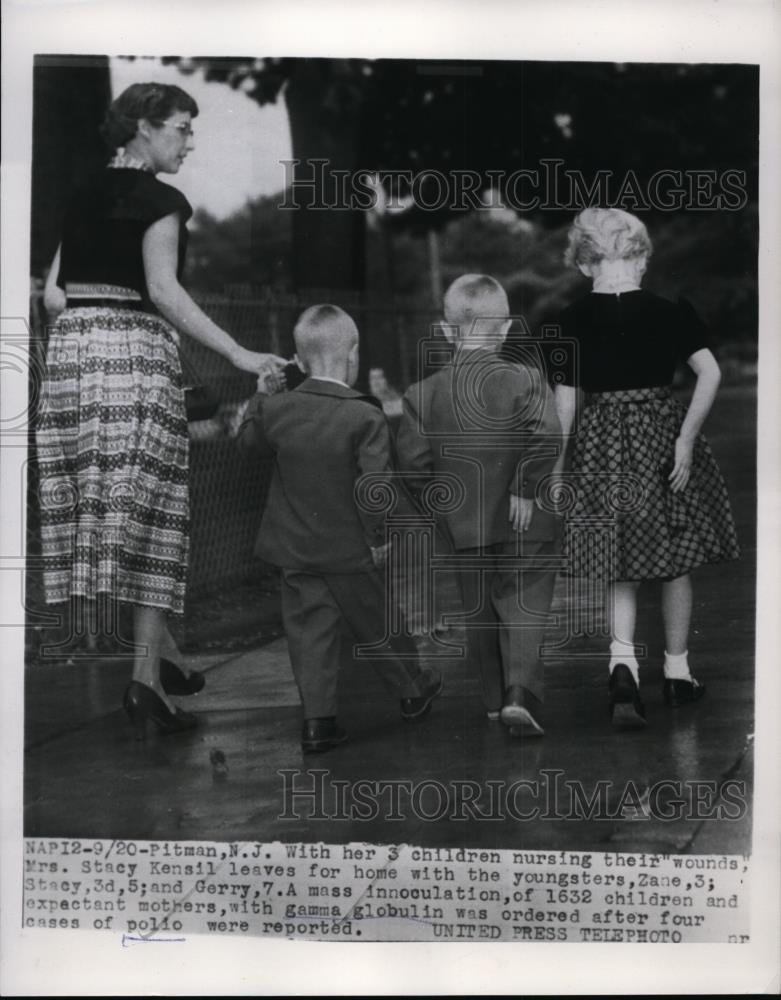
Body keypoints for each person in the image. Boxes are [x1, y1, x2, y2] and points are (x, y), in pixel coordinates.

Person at [37, 82, 285, 739]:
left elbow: (56, 297)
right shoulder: (163, 200)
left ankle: (166, 659)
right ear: (142, 129)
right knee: (155, 515)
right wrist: (238, 352)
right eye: (179, 127)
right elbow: (163, 290)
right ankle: (146, 681)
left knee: (103, 511)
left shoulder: (82, 192)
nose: (189, 140)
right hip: (133, 353)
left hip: (70, 360)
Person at [551, 207, 740, 729]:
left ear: (586, 266)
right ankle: (678, 674)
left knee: (618, 557)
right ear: (641, 259)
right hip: (661, 434)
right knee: (676, 556)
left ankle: (622, 667)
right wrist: (685, 439)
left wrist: (558, 467)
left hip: (602, 440)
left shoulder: (569, 321)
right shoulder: (671, 311)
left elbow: (566, 405)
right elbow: (710, 373)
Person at [236, 304, 443, 754]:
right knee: (379, 625)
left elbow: (248, 441)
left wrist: (260, 395)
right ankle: (412, 692)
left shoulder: (279, 409)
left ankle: (317, 723)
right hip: (351, 552)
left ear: (300, 359)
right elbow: (375, 485)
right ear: (352, 356)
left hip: (294, 552)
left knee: (309, 636)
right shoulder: (363, 416)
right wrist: (380, 537)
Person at [396, 275, 563, 738]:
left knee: (479, 613)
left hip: (464, 525)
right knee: (524, 601)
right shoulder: (527, 378)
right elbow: (547, 435)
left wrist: (445, 514)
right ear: (507, 329)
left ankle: (493, 702)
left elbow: (412, 468)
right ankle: (520, 693)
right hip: (527, 520)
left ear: (446, 331)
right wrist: (526, 488)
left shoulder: (421, 395)